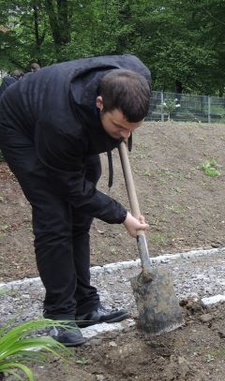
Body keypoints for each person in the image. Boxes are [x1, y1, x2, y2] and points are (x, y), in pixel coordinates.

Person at [0, 55, 152, 347]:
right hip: (21, 126)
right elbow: (72, 188)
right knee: (54, 217)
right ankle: (59, 315)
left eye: (133, 128)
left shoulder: (138, 77)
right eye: (119, 127)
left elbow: (84, 193)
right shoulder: (62, 124)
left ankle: (85, 305)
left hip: (75, 124)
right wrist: (122, 215)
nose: (125, 135)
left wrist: (122, 127)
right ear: (99, 105)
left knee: (81, 218)